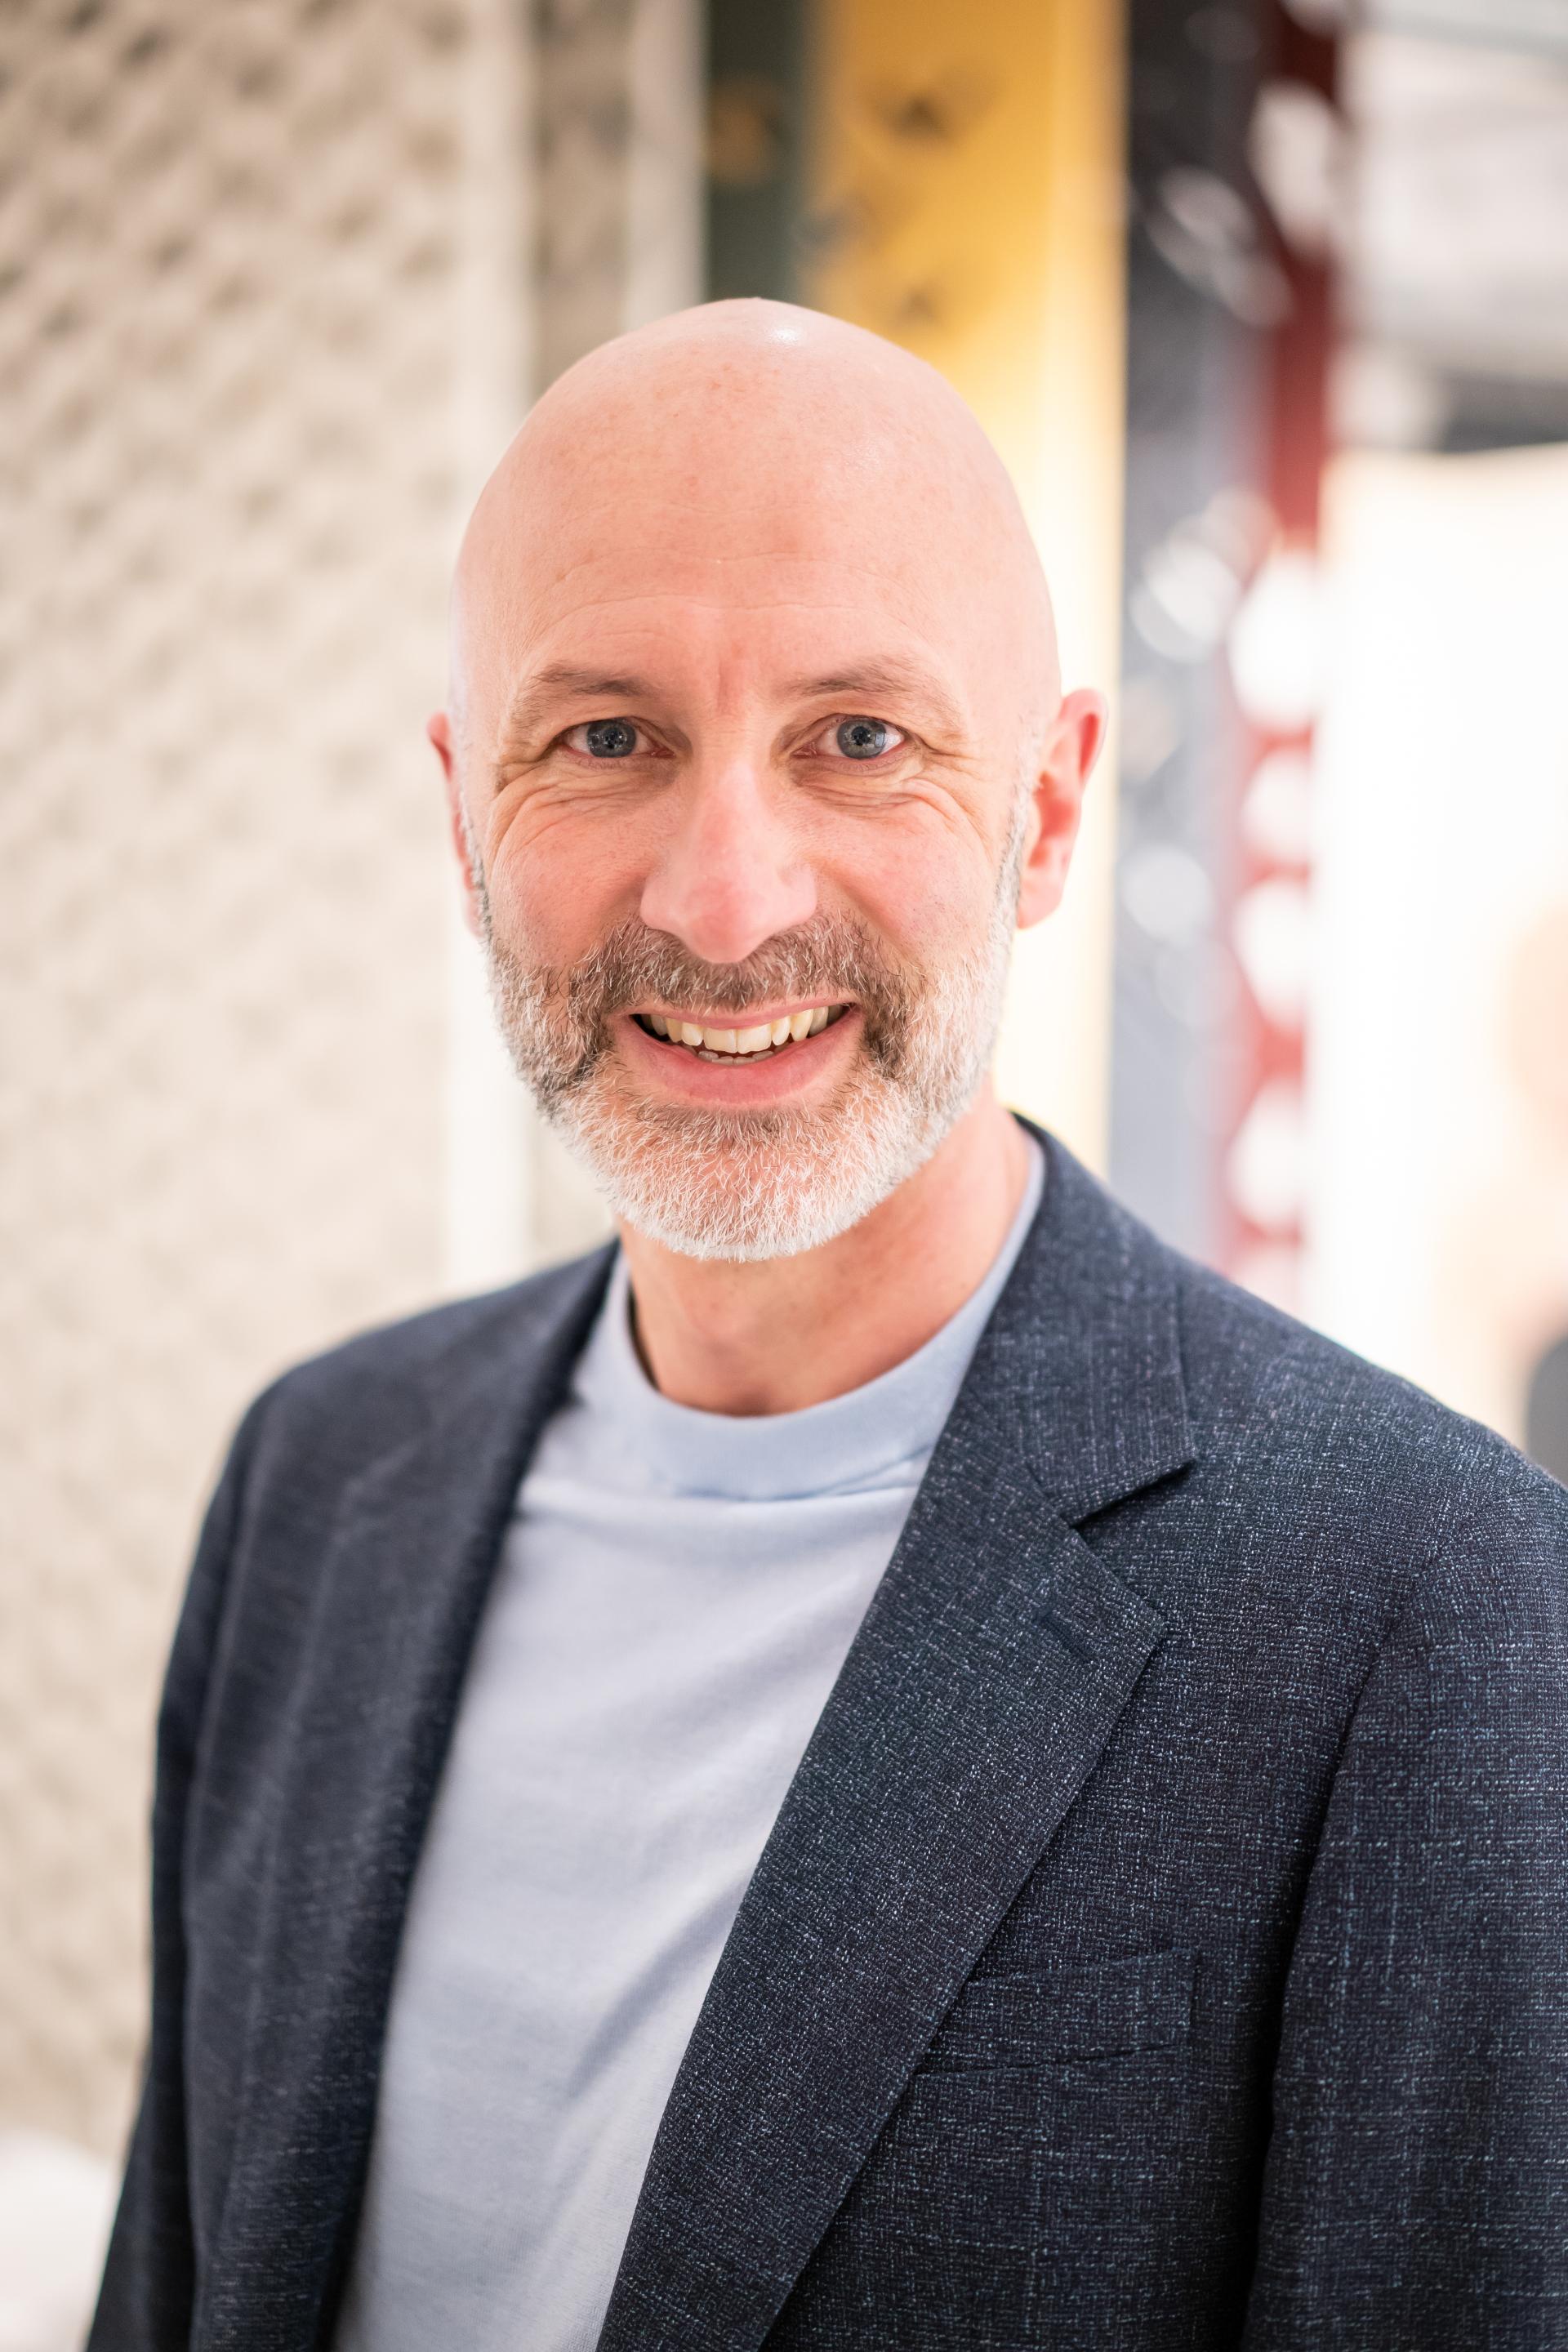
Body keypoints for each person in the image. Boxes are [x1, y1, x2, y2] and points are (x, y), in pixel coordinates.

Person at [91, 302, 1567, 2352]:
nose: (719, 903)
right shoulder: (322, 1481)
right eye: (605, 736)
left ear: (1045, 813)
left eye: (859, 738)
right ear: (462, 818)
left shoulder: (1418, 1595)